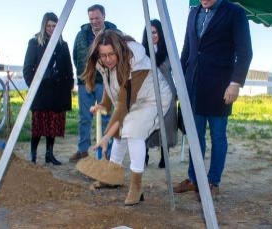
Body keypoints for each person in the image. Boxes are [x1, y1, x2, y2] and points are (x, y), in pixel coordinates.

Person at [173, 0, 252, 198]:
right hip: (193, 86)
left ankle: (212, 181)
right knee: (194, 136)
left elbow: (245, 52)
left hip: (220, 87)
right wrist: (180, 81)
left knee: (217, 136)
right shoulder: (193, 13)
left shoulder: (235, 12)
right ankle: (194, 179)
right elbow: (187, 50)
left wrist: (236, 83)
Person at [85, 30, 172, 206]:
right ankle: (111, 177)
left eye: (111, 55)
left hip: (153, 99)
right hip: (133, 99)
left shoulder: (136, 64)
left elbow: (123, 105)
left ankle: (136, 186)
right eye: (103, 55)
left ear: (119, 50)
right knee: (121, 132)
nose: (108, 59)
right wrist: (104, 104)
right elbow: (112, 87)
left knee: (132, 131)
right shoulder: (103, 62)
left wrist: (105, 137)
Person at [69, 4, 120, 162]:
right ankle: (83, 149)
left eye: (97, 18)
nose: (94, 21)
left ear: (104, 16)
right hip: (86, 81)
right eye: (91, 18)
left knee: (107, 117)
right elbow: (76, 56)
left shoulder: (114, 34)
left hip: (107, 82)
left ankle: (107, 150)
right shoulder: (80, 35)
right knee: (84, 117)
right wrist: (84, 74)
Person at [23, 12, 74, 165]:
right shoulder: (34, 42)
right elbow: (27, 68)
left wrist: (70, 84)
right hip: (41, 92)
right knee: (38, 125)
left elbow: (69, 67)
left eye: (54, 26)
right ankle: (33, 155)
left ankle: (49, 154)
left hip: (58, 92)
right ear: (44, 26)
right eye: (49, 26)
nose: (52, 28)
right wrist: (33, 87)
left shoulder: (63, 44)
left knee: (53, 125)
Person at [141, 19, 178, 169]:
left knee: (167, 124)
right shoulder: (141, 52)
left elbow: (177, 72)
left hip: (168, 93)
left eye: (155, 32)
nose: (152, 35)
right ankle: (144, 155)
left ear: (160, 33)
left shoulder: (169, 50)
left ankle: (165, 158)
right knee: (146, 125)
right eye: (149, 32)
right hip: (148, 94)